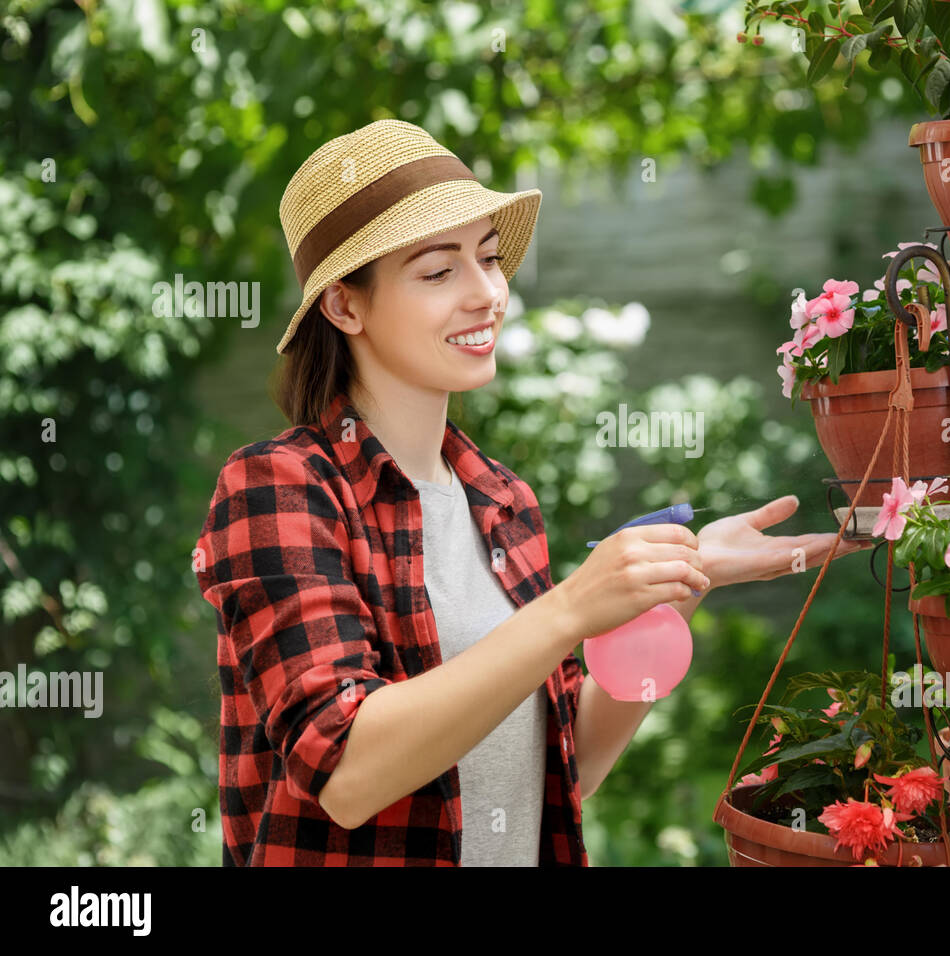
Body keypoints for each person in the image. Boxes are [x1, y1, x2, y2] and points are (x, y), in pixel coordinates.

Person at [194, 120, 862, 866]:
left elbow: (565, 769)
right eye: (438, 272)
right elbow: (347, 772)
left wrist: (679, 578)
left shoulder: (500, 498)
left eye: (489, 259)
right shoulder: (280, 487)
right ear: (345, 306)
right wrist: (572, 606)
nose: (486, 294)